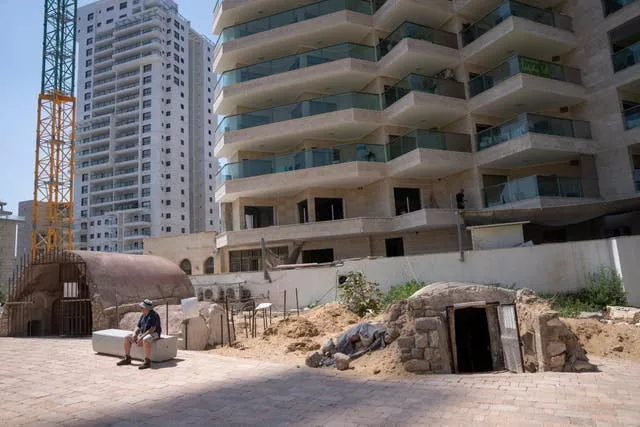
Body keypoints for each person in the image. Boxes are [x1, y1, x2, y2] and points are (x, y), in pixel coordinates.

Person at [116, 299, 162, 370]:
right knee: (127, 338)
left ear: (147, 308)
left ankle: (147, 361)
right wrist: (135, 334)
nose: (141, 309)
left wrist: (141, 337)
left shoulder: (154, 315)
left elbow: (152, 329)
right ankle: (127, 358)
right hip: (143, 333)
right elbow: (138, 326)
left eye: (142, 307)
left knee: (146, 339)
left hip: (154, 333)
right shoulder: (143, 315)